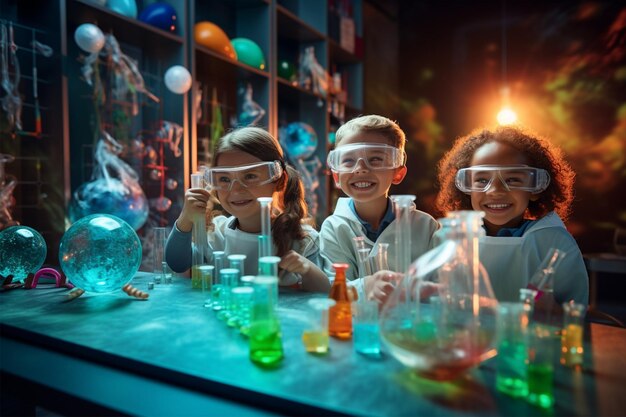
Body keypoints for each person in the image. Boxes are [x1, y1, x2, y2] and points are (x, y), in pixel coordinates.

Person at [435, 125, 588, 305]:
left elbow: (574, 313)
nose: (495, 191)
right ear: (466, 187)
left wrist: (554, 313)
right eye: (482, 180)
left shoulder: (552, 242)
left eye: (512, 179)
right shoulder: (450, 240)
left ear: (536, 188)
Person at [165, 127, 330, 292]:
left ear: (279, 180)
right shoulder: (216, 234)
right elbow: (177, 263)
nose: (236, 190)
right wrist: (186, 218)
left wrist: (308, 270)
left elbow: (324, 296)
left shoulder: (303, 240)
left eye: (250, 176)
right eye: (224, 179)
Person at [320, 115, 439, 302]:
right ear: (336, 176)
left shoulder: (426, 226)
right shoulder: (333, 228)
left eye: (375, 159)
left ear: (398, 173)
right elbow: (335, 288)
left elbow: (439, 289)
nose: (360, 169)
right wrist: (366, 287)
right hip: (358, 326)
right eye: (348, 161)